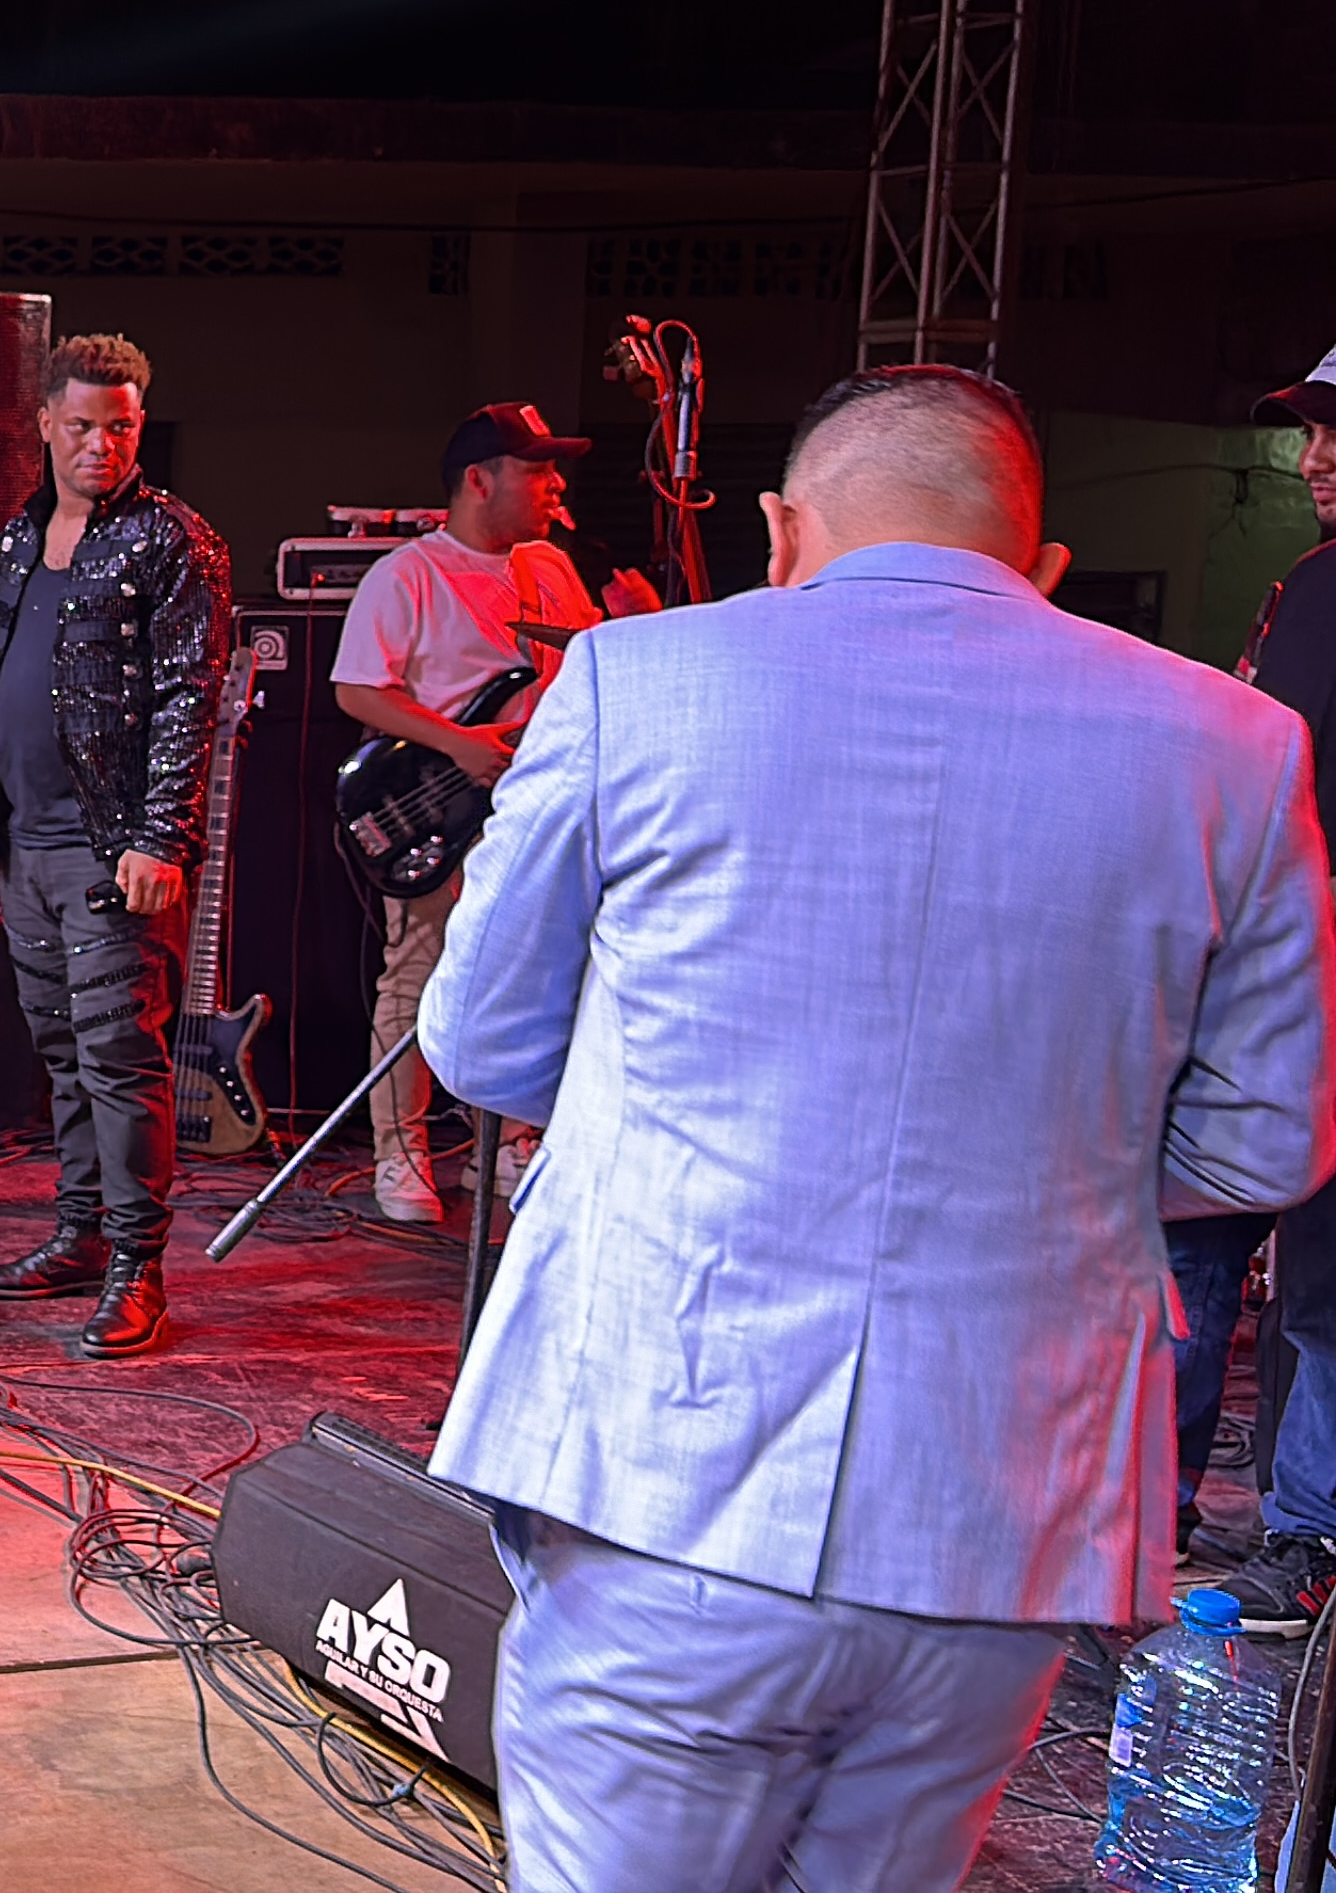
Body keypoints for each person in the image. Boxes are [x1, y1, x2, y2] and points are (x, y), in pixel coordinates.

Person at [418, 367, 1336, 1889]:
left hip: (665, 1478)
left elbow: (482, 1040)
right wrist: (1051, 1158)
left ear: (780, 531)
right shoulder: (1234, 745)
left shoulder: (637, 681)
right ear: (1042, 562)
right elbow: (1267, 1142)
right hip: (1004, 1520)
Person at [0, 332, 230, 1360]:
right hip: (26, 846)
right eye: (81, 426)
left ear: (139, 427)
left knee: (118, 1056)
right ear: (45, 425)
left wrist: (162, 838)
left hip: (113, 852)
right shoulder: (16, 541)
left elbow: (190, 697)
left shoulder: (173, 542)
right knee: (63, 1052)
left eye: (120, 427)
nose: (100, 445)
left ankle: (137, 1270)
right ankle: (79, 1236)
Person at [329, 403, 663, 1224]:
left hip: (536, 803)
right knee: (419, 970)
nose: (556, 486)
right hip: (439, 804)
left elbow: (580, 674)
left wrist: (637, 628)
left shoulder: (551, 566)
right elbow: (358, 690)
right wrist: (460, 744)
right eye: (536, 470)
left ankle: (509, 1142)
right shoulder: (407, 574)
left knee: (537, 971)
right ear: (480, 480)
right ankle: (400, 1150)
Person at [1170, 337, 1336, 1624]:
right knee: (1219, 1241)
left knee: (1284, 1263)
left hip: (1297, 980)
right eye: (1311, 431)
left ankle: (1302, 1529)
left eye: (1335, 434)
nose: (1312, 457)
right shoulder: (1310, 584)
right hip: (1286, 971)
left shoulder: (1325, 591)